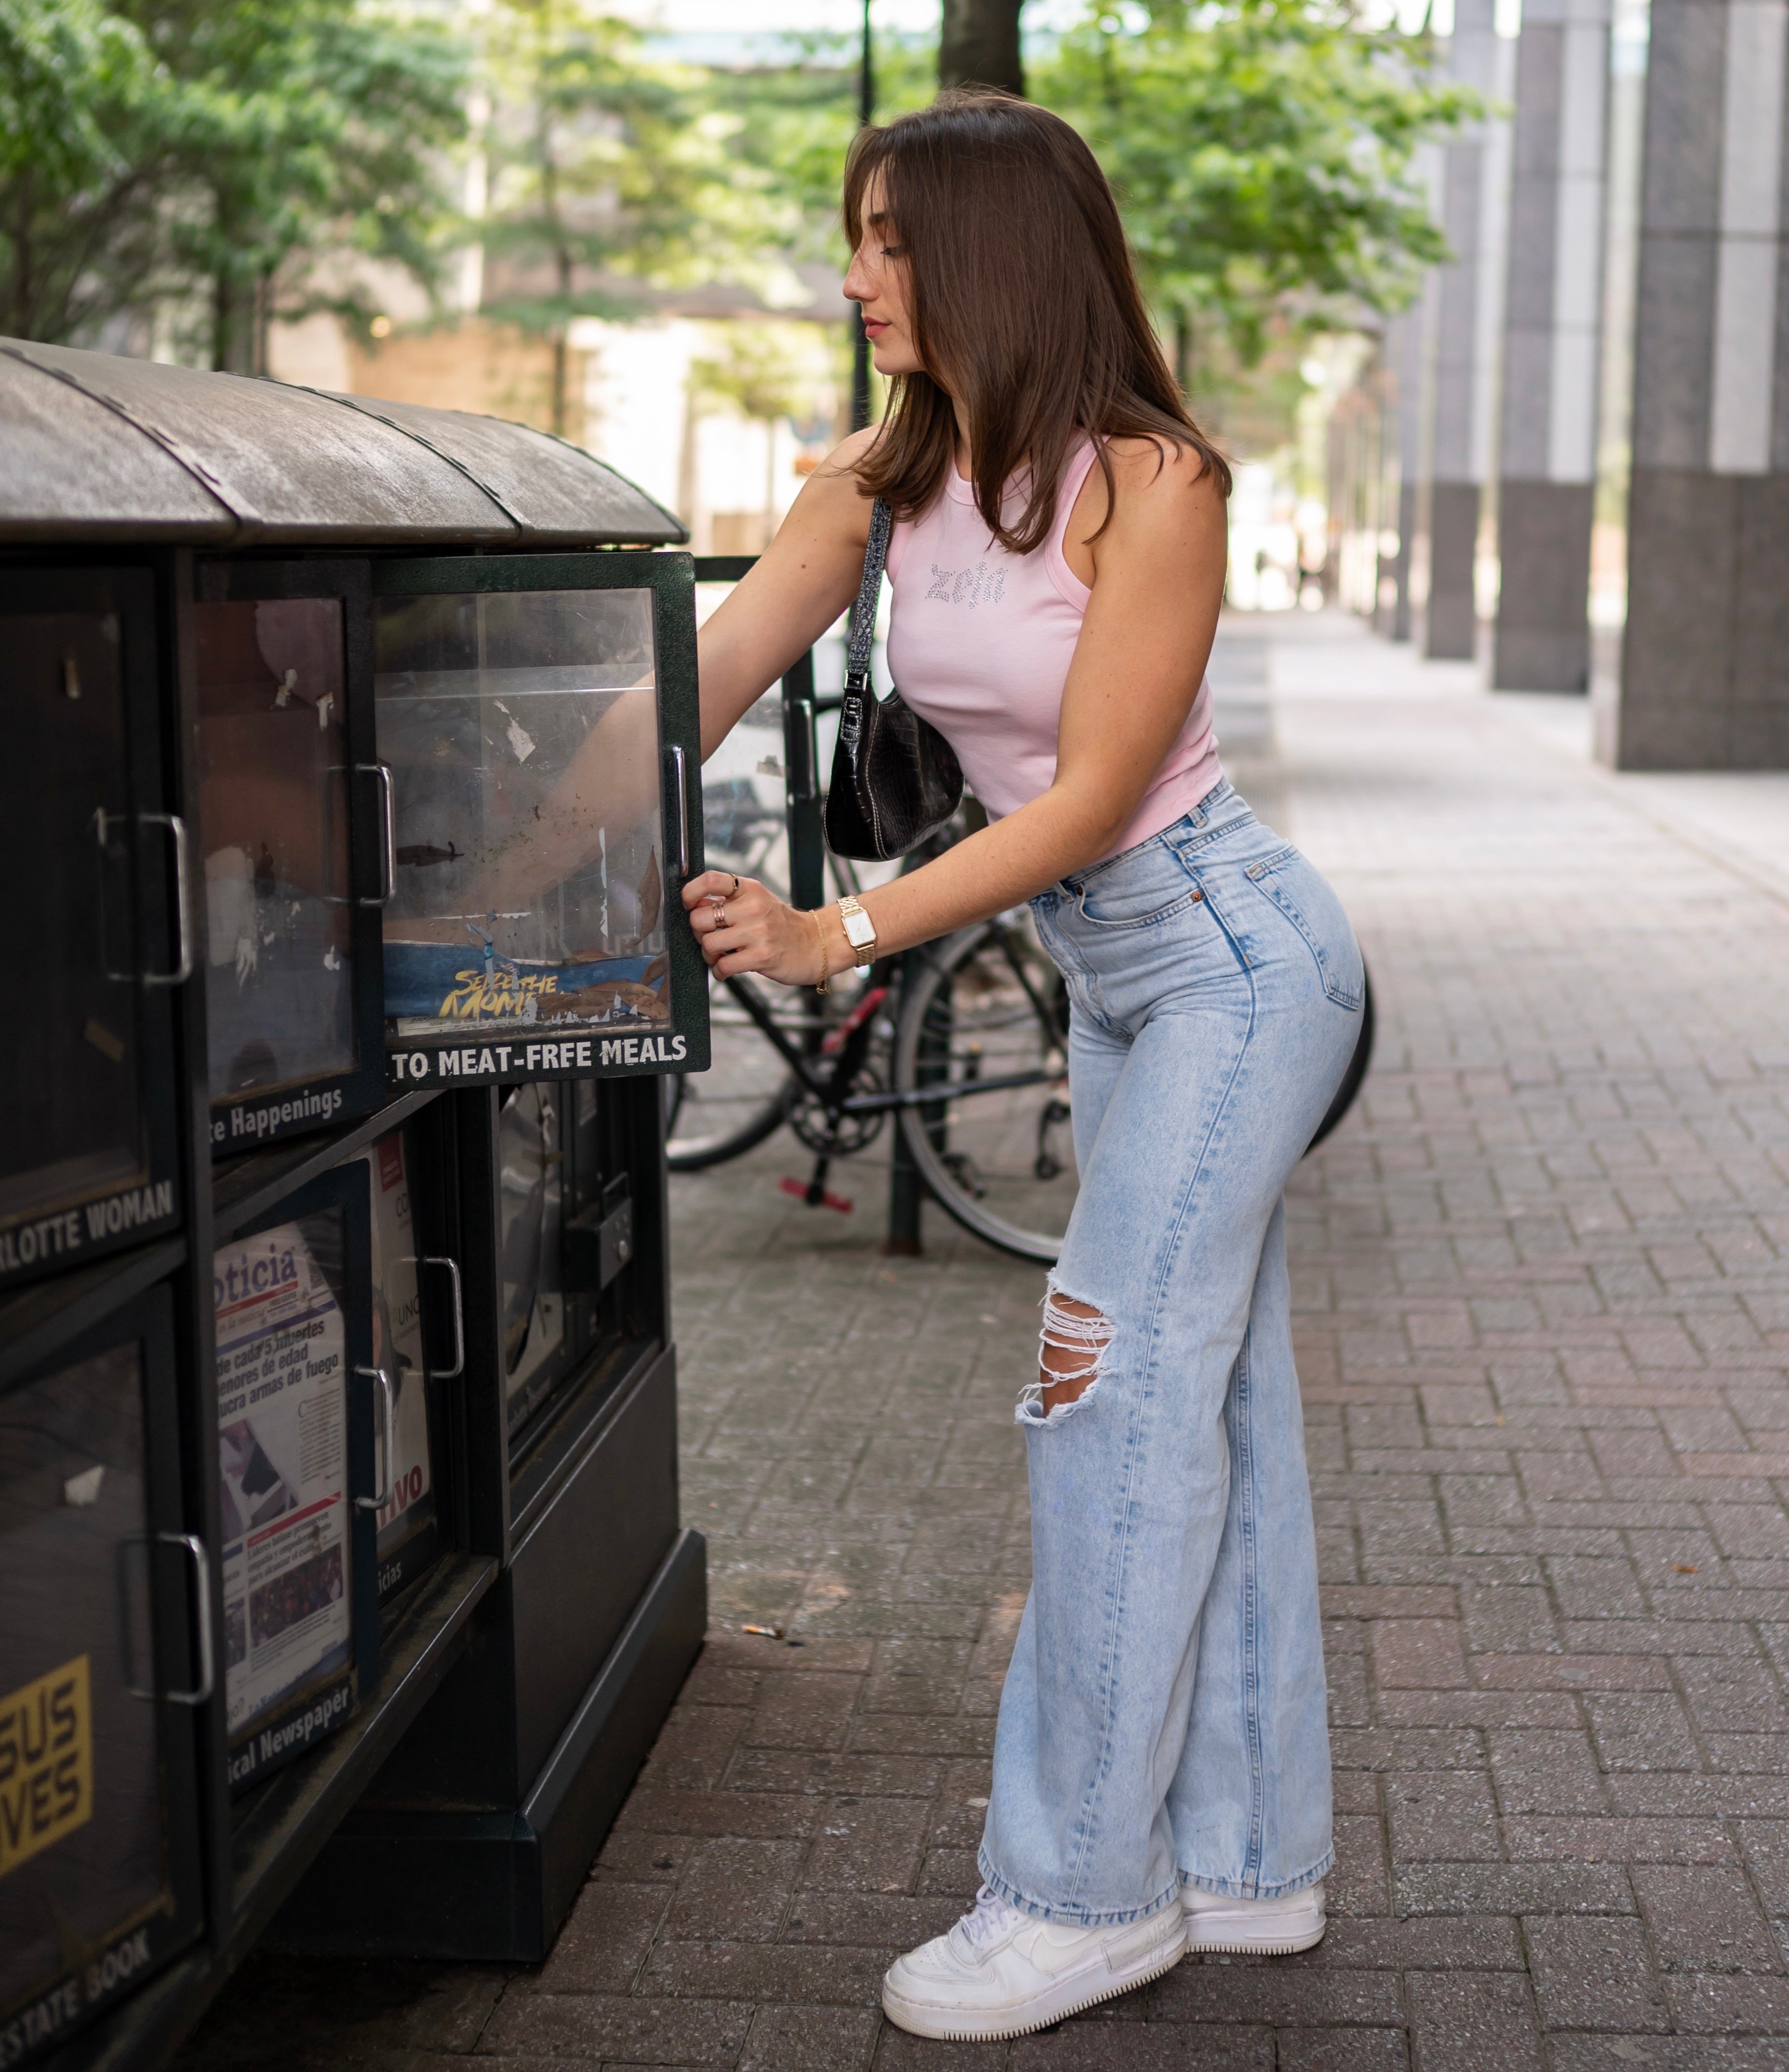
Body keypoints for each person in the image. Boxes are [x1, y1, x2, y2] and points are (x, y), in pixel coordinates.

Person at [682, 90, 1364, 2045]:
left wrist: (840, 934)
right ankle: (1247, 1864)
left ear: (990, 249)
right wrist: (463, 823)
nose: (854, 274)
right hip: (1119, 984)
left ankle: (1080, 1893)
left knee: (1103, 1384)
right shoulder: (882, 481)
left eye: (890, 238)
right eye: (857, 235)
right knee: (1208, 1405)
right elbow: (691, 693)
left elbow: (1087, 804)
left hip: (1235, 962)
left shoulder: (1152, 480)